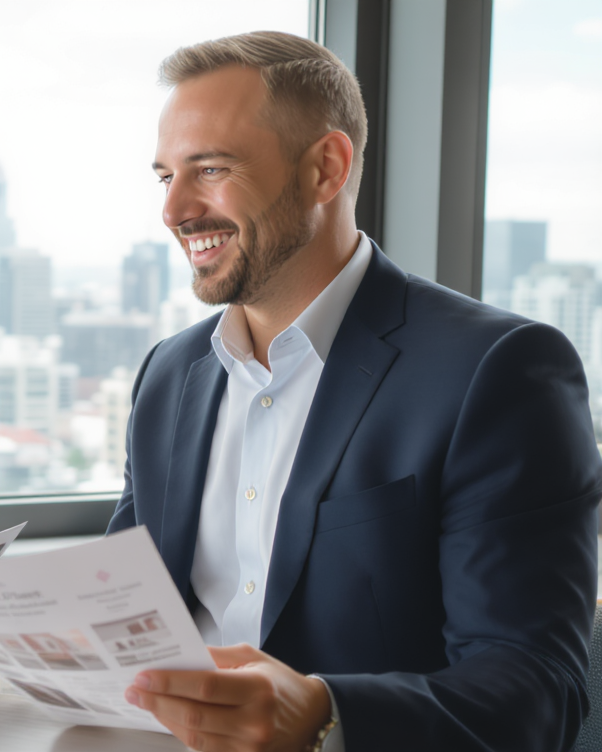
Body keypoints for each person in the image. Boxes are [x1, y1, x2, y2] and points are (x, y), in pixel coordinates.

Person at [108, 31, 600, 752]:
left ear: (325, 169)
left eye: (210, 169)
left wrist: (322, 713)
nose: (175, 210)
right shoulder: (169, 375)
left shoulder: (499, 370)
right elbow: (123, 611)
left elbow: (536, 692)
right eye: (165, 176)